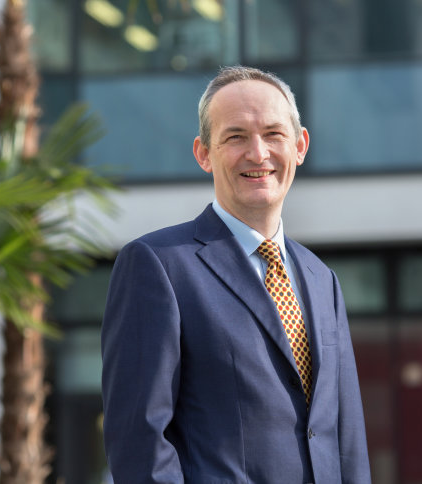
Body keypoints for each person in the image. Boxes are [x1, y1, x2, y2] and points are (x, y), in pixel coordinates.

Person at [101, 65, 371, 484]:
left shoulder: (322, 279)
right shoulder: (158, 266)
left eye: (273, 134)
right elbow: (141, 443)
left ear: (300, 146)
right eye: (235, 137)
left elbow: (346, 439)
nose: (258, 153)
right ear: (203, 153)